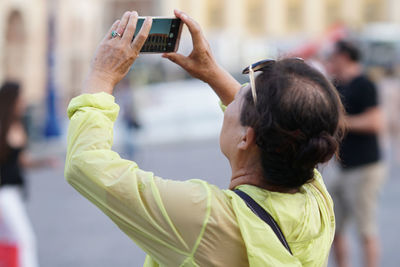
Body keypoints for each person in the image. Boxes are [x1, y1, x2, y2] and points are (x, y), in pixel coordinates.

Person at [65, 10, 345, 266]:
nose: (231, 98)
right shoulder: (316, 200)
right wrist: (212, 72)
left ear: (246, 138)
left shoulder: (205, 218)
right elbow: (278, 122)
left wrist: (102, 74)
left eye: (240, 97)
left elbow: (86, 164)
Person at [327, 41, 386, 267]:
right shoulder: (337, 85)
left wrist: (340, 123)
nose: (329, 61)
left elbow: (376, 122)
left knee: (366, 228)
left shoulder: (364, 84)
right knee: (333, 227)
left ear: (343, 56)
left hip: (365, 169)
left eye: (332, 56)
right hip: (344, 169)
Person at [0, 82, 40, 267]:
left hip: (14, 193)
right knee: (25, 240)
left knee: (12, 241)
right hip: (4, 194)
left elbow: (23, 161)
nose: (23, 102)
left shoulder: (17, 125)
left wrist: (45, 163)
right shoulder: (3, 127)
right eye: (20, 98)